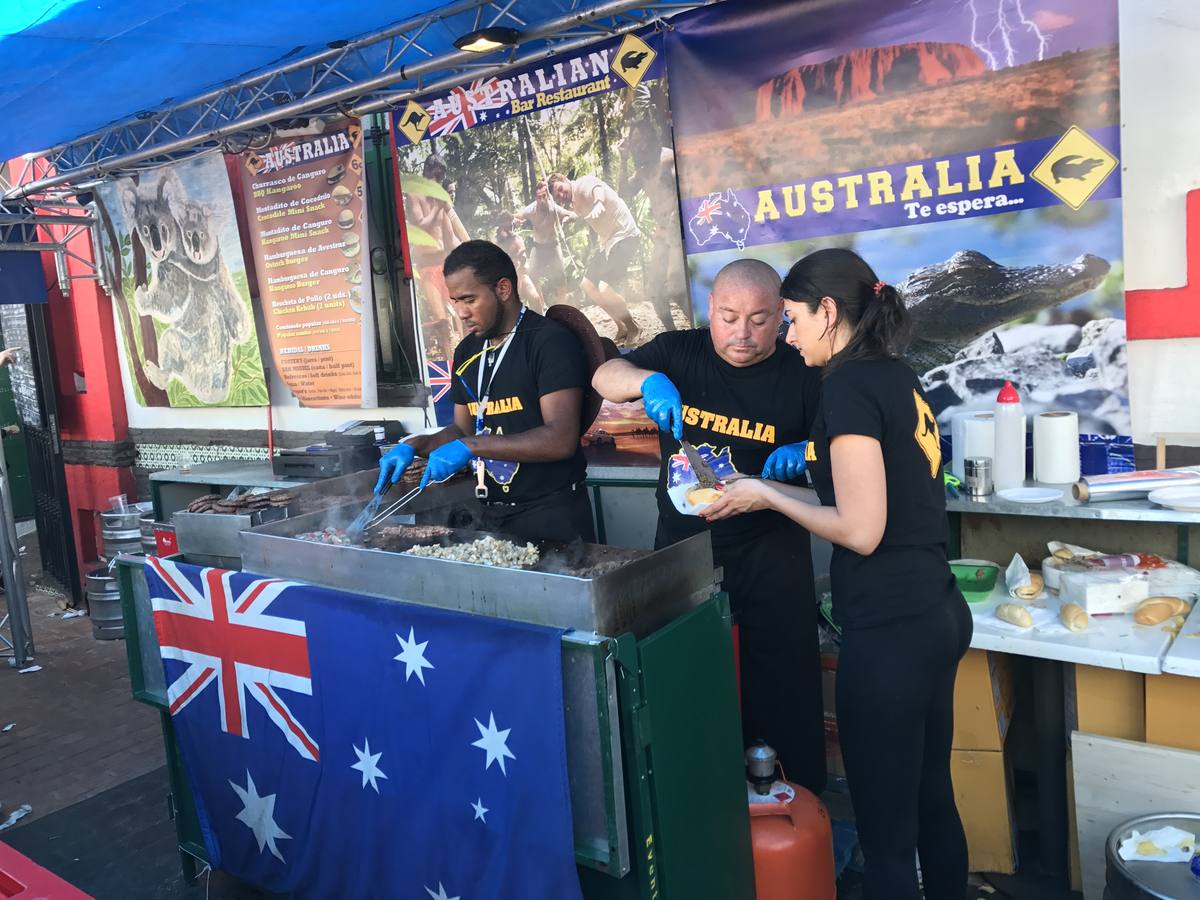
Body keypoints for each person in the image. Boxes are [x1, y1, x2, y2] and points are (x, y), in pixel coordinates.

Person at [702, 248, 972, 900]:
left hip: (890, 637)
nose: (788, 336)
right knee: (933, 798)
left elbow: (860, 528)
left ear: (828, 312)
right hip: (937, 613)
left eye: (791, 319)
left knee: (885, 837)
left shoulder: (847, 387)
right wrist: (768, 485)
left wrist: (766, 494)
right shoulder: (894, 373)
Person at [591, 258, 825, 794]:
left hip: (773, 556)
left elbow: (838, 453)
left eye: (761, 319)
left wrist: (806, 450)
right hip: (684, 551)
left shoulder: (803, 371)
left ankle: (794, 804)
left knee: (781, 689)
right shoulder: (680, 351)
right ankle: (700, 800)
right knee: (690, 679)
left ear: (783, 317)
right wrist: (647, 380)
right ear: (710, 312)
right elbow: (604, 375)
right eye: (728, 316)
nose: (742, 333)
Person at [377, 240, 595, 544]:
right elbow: (460, 430)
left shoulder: (548, 342)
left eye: (469, 299)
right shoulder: (467, 351)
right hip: (492, 515)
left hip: (553, 512)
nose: (461, 313)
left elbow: (561, 439)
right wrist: (414, 445)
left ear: (503, 290)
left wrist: (472, 447)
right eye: (455, 301)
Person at [548, 172, 642, 346]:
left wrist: (599, 201)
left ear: (564, 179)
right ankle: (621, 325)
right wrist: (572, 217)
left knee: (605, 288)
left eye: (560, 189)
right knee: (587, 285)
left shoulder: (584, 183)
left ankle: (633, 327)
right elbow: (585, 211)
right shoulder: (574, 202)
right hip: (607, 242)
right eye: (557, 196)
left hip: (625, 235)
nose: (561, 195)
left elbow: (597, 189)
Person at [408, 154, 467, 348]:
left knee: (461, 316)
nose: (437, 181)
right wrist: (437, 207)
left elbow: (451, 233)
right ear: (426, 173)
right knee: (443, 323)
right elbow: (421, 224)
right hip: (426, 267)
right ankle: (447, 365)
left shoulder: (441, 201)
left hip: (445, 265)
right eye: (435, 176)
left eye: (440, 177)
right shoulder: (414, 195)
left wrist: (471, 249)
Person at [516, 182, 576, 306]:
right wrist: (516, 220)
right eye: (539, 197)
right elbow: (516, 216)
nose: (542, 200)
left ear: (548, 196)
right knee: (532, 276)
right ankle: (541, 306)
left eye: (545, 196)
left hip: (553, 245)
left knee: (561, 277)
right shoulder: (531, 209)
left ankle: (561, 307)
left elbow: (572, 214)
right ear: (536, 198)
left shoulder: (553, 207)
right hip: (538, 247)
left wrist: (568, 218)